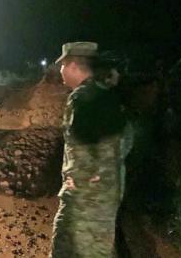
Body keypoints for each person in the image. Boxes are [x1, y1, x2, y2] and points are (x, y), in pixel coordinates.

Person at [50, 42, 127, 257]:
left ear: (73, 65)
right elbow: (124, 141)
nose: (60, 71)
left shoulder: (81, 99)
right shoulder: (108, 94)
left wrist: (76, 182)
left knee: (65, 249)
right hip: (108, 193)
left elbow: (79, 148)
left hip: (84, 198)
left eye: (62, 66)